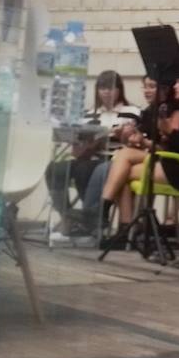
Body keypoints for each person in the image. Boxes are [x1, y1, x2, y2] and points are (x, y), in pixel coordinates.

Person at [100, 76, 179, 249]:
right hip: (171, 162)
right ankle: (124, 229)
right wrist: (147, 138)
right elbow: (176, 144)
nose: (175, 86)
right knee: (124, 157)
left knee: (123, 170)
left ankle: (116, 222)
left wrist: (170, 132)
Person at [46, 70, 139, 244]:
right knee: (54, 168)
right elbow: (77, 150)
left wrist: (118, 135)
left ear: (120, 90)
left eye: (111, 88)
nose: (106, 92)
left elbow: (133, 142)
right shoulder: (90, 114)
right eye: (102, 88)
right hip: (89, 156)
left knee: (84, 169)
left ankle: (90, 221)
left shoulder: (131, 111)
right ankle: (67, 215)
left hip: (114, 159)